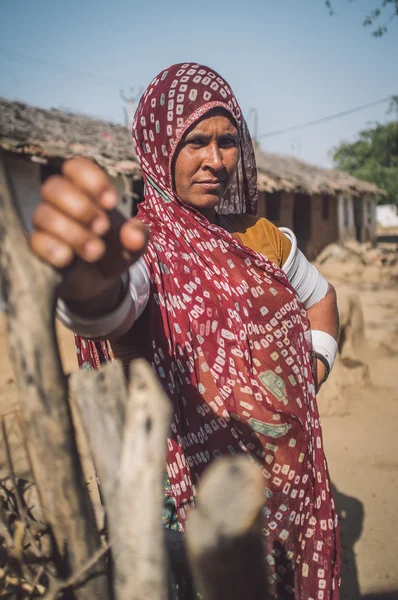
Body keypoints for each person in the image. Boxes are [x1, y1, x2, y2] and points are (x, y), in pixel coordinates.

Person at [30, 62, 340, 598]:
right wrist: (85, 285)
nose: (215, 161)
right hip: (192, 500)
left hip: (289, 491)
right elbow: (115, 304)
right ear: (158, 147)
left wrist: (309, 376)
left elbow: (322, 299)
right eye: (196, 142)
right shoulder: (144, 248)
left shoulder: (264, 237)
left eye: (228, 142)